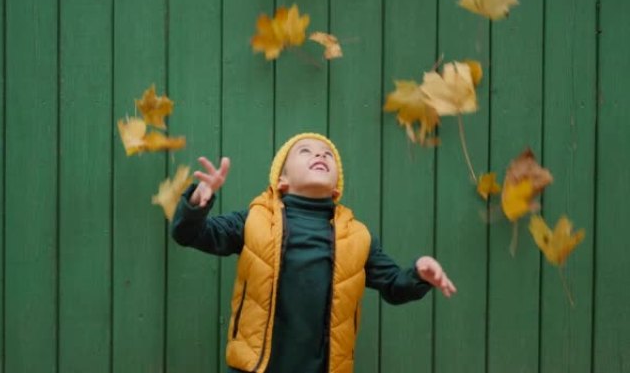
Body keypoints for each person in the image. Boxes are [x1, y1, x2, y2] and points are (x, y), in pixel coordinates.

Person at [171, 132, 456, 373]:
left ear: (336, 187)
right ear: (281, 180)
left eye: (328, 154)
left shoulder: (358, 237)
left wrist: (418, 272)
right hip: (257, 367)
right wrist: (197, 202)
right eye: (305, 151)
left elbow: (395, 286)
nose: (320, 156)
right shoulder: (254, 220)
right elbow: (189, 234)